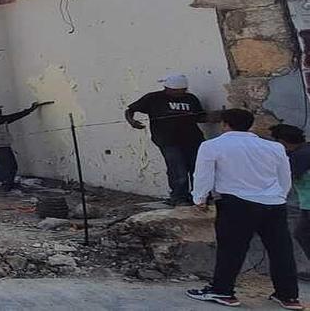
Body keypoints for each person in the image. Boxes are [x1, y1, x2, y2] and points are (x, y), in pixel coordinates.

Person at [187, 109, 301, 310]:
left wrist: (200, 198)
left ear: (225, 124)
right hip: (273, 203)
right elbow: (285, 176)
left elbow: (203, 175)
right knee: (281, 250)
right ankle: (288, 296)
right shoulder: (273, 147)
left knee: (231, 250)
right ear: (250, 124)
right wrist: (279, 196)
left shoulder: (212, 145)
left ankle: (222, 291)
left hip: (236, 203)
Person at [126, 73, 207, 206]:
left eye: (183, 91)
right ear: (168, 88)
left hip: (193, 139)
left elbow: (199, 116)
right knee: (178, 170)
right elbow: (130, 110)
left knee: (197, 169)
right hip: (167, 140)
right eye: (178, 91)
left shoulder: (191, 98)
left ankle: (198, 197)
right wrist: (132, 121)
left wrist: (215, 117)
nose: (181, 93)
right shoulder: (154, 98)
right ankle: (178, 198)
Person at [0, 101, 50, 190]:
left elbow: (14, 117)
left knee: (11, 167)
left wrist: (30, 110)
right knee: (5, 167)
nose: (0, 111)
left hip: (2, 146)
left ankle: (8, 184)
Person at [272, 124, 310, 281]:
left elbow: (286, 178)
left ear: (282, 142)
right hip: (306, 203)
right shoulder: (305, 150)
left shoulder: (299, 156)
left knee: (302, 234)